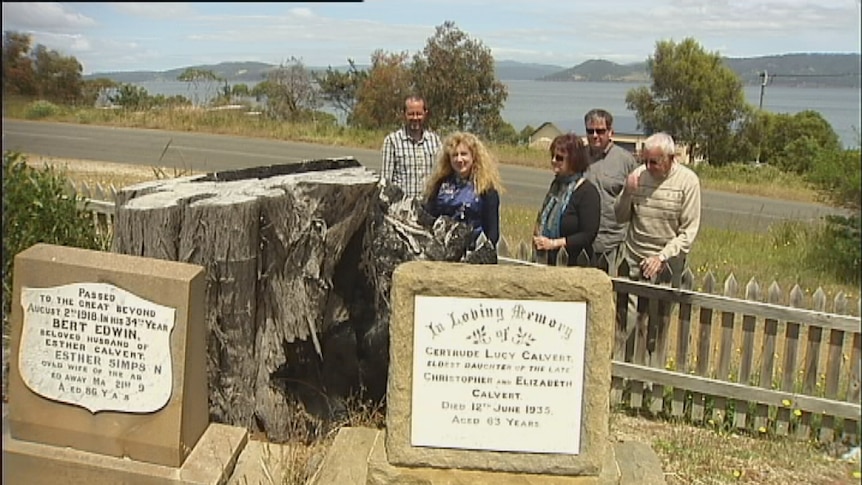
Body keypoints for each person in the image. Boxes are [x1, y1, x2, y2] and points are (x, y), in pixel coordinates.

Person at [613, 132, 701, 362]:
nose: (648, 166)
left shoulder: (688, 182)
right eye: (645, 161)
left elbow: (688, 232)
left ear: (671, 159)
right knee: (627, 323)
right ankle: (624, 374)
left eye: (654, 162)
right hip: (633, 258)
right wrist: (627, 192)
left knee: (655, 328)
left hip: (665, 265)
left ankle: (651, 383)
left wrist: (661, 257)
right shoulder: (638, 176)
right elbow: (620, 217)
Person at [424, 132, 503, 249]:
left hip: (474, 252)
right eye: (455, 155)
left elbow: (493, 232)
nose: (459, 159)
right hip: (441, 251)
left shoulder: (486, 188)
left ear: (473, 156)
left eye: (464, 154)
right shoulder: (439, 185)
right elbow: (428, 218)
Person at [583, 109, 639, 274]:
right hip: (583, 242)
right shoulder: (578, 156)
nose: (595, 135)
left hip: (613, 243)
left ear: (610, 132)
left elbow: (636, 202)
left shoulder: (625, 160)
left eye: (600, 131)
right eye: (590, 131)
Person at [533, 133, 601, 266]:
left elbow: (588, 235)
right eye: (552, 156)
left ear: (574, 160)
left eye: (559, 158)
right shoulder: (556, 186)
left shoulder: (587, 192)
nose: (553, 161)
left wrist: (554, 244)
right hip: (549, 260)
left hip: (576, 263)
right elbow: (543, 217)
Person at [381, 95, 442, 200]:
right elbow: (386, 181)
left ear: (425, 114)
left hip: (428, 205)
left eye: (418, 114)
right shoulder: (392, 141)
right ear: (404, 114)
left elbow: (440, 174)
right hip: (401, 207)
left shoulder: (435, 141)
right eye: (411, 114)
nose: (415, 118)